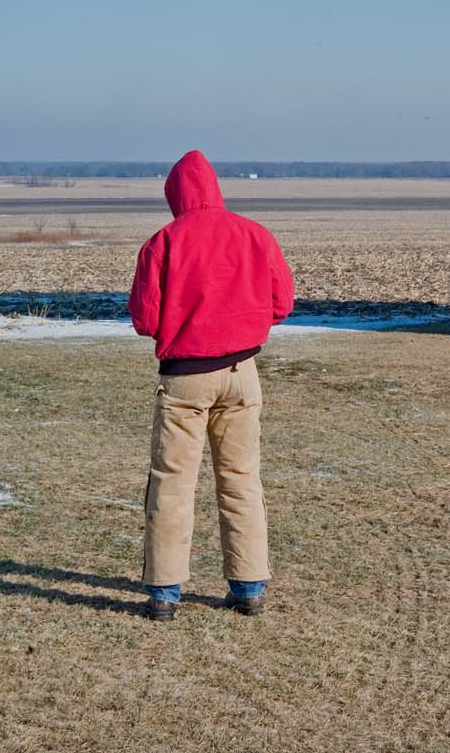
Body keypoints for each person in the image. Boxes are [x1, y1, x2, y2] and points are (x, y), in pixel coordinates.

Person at [128, 150, 295, 621]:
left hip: (184, 380)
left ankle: (164, 594)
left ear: (175, 194)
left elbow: (145, 318)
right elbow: (281, 303)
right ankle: (249, 588)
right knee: (241, 479)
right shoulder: (256, 235)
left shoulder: (162, 242)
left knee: (172, 484)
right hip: (242, 375)